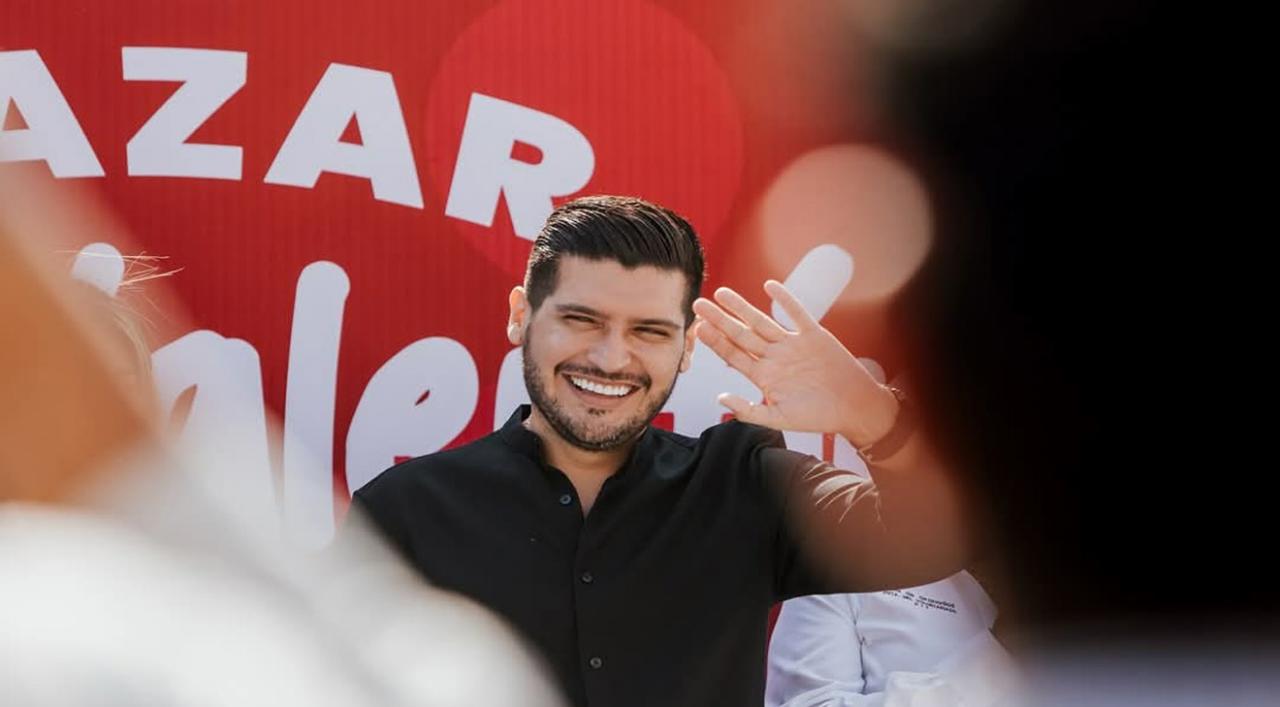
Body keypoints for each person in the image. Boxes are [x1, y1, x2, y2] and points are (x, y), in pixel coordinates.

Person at [352, 195, 970, 707]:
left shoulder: (743, 483)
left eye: (648, 331)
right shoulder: (404, 512)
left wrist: (873, 416)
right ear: (522, 315)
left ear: (688, 345)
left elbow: (937, 538)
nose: (610, 358)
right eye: (582, 320)